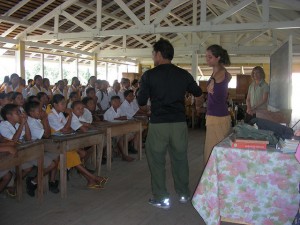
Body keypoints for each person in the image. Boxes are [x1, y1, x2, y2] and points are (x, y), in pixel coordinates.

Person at [137, 38, 202, 209]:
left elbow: (141, 101)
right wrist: (199, 105)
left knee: (157, 161)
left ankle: (161, 197)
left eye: (153, 54)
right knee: (180, 159)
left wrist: (147, 110)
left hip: (158, 124)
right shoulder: (183, 74)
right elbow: (198, 92)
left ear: (158, 54)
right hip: (179, 124)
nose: (153, 57)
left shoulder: (149, 75)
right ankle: (183, 194)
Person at [48, 94, 106, 189]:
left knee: (78, 154)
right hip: (55, 145)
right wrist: (70, 116)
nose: (64, 106)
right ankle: (93, 178)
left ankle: (90, 180)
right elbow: (66, 129)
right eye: (62, 104)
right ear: (55, 104)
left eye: (65, 104)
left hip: (64, 142)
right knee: (73, 156)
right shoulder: (51, 116)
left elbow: (68, 129)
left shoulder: (60, 114)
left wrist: (68, 128)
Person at [204, 44, 232, 165]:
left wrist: (213, 81)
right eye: (206, 57)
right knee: (215, 153)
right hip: (217, 116)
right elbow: (228, 76)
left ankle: (212, 180)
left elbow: (220, 78)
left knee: (213, 154)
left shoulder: (219, 72)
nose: (207, 59)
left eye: (210, 57)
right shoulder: (220, 72)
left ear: (218, 58)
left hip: (217, 118)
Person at [24, 101, 59, 196]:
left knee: (57, 155)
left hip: (38, 149)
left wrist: (43, 119)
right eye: (39, 111)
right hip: (30, 152)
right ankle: (33, 182)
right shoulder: (31, 123)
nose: (42, 112)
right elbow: (47, 135)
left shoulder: (36, 120)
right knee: (51, 165)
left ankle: (52, 181)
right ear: (31, 113)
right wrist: (45, 119)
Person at [104, 96, 135, 162]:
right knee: (119, 136)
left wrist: (116, 119)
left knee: (131, 134)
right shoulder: (108, 112)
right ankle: (123, 155)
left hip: (119, 129)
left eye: (119, 101)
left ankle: (120, 152)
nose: (119, 103)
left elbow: (125, 117)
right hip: (110, 131)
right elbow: (109, 122)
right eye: (116, 101)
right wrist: (119, 118)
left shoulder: (120, 109)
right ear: (112, 103)